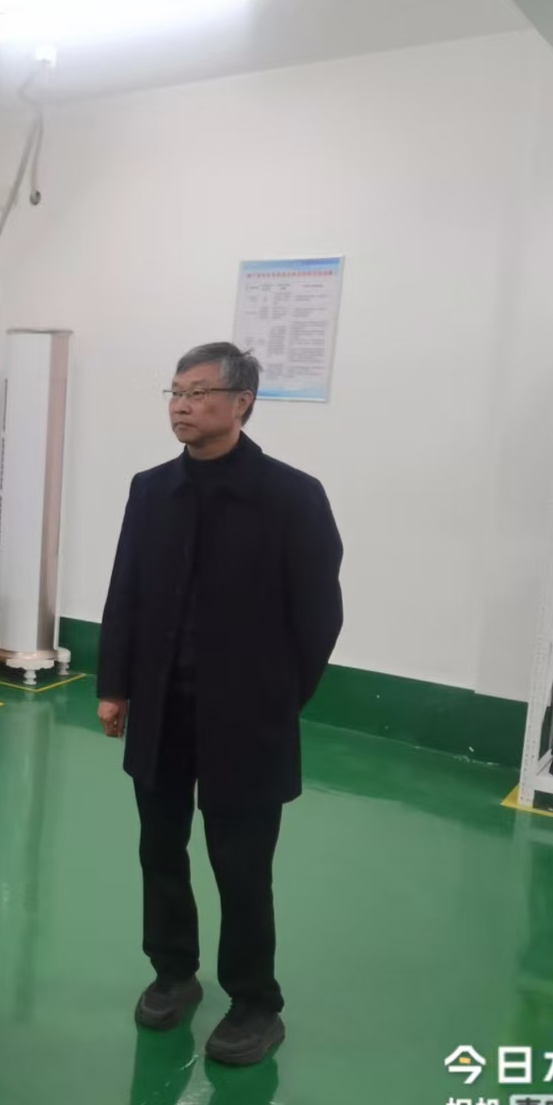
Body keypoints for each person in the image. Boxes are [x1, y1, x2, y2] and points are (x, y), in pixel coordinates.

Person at [96, 342, 343, 1066]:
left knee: (241, 864)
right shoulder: (151, 490)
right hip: (162, 710)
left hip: (247, 718)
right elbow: (125, 590)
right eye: (175, 391)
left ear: (242, 403)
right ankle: (174, 972)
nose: (182, 405)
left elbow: (319, 615)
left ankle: (255, 1002)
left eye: (199, 392)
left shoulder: (292, 497)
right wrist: (114, 685)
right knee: (160, 848)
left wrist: (277, 698)